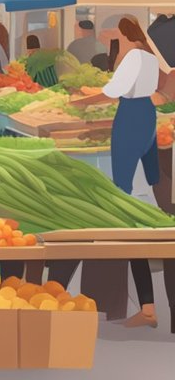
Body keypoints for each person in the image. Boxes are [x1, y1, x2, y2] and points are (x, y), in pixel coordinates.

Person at [71, 17, 163, 328]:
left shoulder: (133, 57)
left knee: (125, 201)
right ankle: (148, 306)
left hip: (132, 118)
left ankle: (146, 306)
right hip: (145, 117)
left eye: (111, 29)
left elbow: (113, 92)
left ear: (122, 32)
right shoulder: (148, 56)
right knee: (140, 197)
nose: (106, 33)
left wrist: (82, 102)